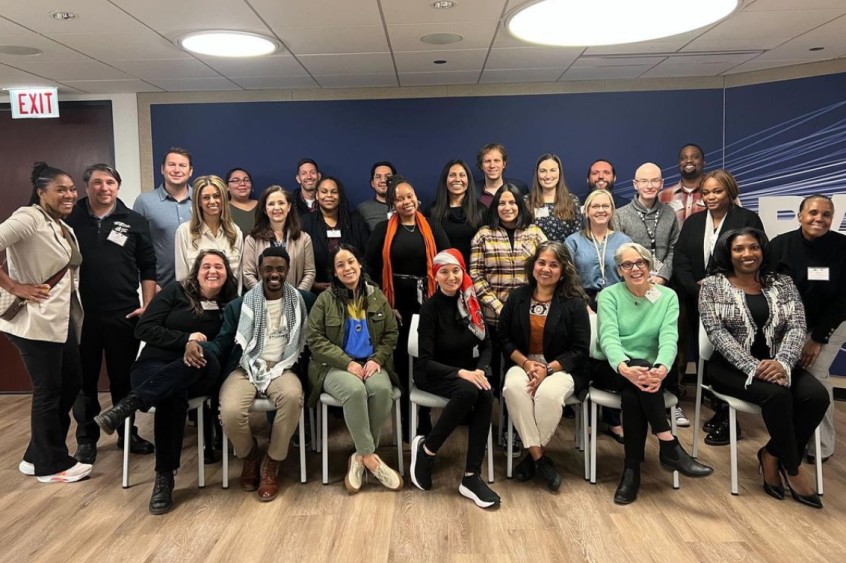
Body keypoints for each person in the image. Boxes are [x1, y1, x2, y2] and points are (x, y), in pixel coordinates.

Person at [94, 249, 239, 514]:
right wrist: (184, 340)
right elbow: (143, 328)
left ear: (227, 273)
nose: (212, 271)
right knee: (172, 394)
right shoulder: (175, 291)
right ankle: (164, 477)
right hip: (153, 365)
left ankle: (132, 402)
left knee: (201, 357)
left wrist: (196, 347)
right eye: (206, 266)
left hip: (201, 368)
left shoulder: (231, 304)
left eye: (219, 266)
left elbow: (227, 344)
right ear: (197, 271)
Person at [700, 228, 828, 509]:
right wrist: (755, 367)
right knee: (777, 396)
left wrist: (782, 363)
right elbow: (717, 335)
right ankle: (793, 469)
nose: (747, 254)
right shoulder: (712, 286)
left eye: (753, 247)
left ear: (762, 250)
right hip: (731, 368)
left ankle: (771, 454)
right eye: (739, 249)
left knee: (816, 396)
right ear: (728, 253)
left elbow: (797, 326)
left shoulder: (782, 283)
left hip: (780, 362)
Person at [594, 243, 713, 505]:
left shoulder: (667, 296)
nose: (635, 269)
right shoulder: (609, 295)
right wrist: (625, 367)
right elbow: (608, 338)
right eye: (627, 264)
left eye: (641, 263)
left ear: (649, 266)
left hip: (652, 371)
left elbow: (670, 337)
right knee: (636, 375)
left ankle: (631, 470)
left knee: (636, 391)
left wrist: (661, 367)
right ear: (619, 270)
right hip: (614, 367)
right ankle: (668, 444)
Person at [0, 162, 90, 483]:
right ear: (41, 193)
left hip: (60, 320)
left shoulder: (60, 224)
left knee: (70, 382)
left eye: (71, 189)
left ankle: (34, 455)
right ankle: (51, 464)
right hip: (34, 322)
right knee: (48, 390)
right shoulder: (27, 218)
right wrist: (14, 286)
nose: (69, 195)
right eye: (60, 190)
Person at [66, 163, 157, 464]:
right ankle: (86, 439)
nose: (104, 188)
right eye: (97, 182)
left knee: (123, 379)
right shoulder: (70, 218)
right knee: (85, 380)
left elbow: (148, 266)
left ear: (118, 186)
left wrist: (147, 305)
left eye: (110, 183)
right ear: (86, 185)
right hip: (82, 314)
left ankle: (127, 434)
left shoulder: (134, 220)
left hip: (124, 313)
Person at [201, 247, 307, 501]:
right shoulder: (239, 306)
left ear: (287, 271)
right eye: (268, 268)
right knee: (230, 410)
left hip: (283, 366)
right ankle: (249, 455)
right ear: (259, 270)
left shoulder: (304, 300)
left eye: (280, 269)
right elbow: (225, 340)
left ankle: (273, 460)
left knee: (292, 398)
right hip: (245, 366)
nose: (274, 274)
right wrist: (202, 347)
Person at [673, 169, 764, 445]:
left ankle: (726, 414)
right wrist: (695, 286)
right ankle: (698, 401)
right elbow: (680, 259)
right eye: (707, 192)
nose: (711, 197)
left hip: (732, 299)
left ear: (730, 191)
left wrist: (720, 287)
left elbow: (754, 258)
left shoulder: (746, 219)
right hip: (693, 295)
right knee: (689, 348)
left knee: (726, 353)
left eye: (717, 191)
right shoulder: (694, 221)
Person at [306, 244, 403, 493]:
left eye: (351, 262)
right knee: (355, 391)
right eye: (340, 265)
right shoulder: (324, 300)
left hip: (370, 363)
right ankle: (371, 458)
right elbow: (314, 339)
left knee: (382, 390)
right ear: (334, 272)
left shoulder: (376, 296)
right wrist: (346, 362)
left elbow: (391, 333)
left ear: (359, 264)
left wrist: (377, 359)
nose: (347, 268)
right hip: (334, 366)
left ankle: (359, 457)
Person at [410, 249, 500, 508]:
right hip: (433, 373)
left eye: (456, 270)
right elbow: (425, 361)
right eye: (444, 272)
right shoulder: (429, 309)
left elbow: (487, 347)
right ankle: (427, 451)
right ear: (435, 276)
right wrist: (463, 373)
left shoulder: (471, 303)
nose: (451, 277)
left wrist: (480, 369)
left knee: (484, 393)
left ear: (464, 272)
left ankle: (471, 476)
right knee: (469, 391)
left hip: (466, 373)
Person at [500, 242, 591, 491]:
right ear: (533, 266)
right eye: (541, 262)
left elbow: (580, 350)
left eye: (553, 264)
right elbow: (503, 338)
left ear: (563, 270)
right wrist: (527, 362)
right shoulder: (518, 296)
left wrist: (547, 369)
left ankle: (532, 457)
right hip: (523, 362)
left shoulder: (574, 302)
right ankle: (540, 458)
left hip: (561, 367)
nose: (546, 269)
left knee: (548, 395)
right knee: (513, 389)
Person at [365, 176, 450, 437]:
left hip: (429, 301)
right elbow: (367, 269)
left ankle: (423, 415)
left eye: (409, 196)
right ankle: (403, 414)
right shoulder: (383, 229)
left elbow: (447, 261)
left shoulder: (432, 226)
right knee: (401, 358)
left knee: (425, 355)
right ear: (392, 203)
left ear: (416, 198)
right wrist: (384, 302)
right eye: (399, 198)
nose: (405, 202)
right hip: (396, 304)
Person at [470, 183, 547, 454]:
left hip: (530, 317)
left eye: (512, 203)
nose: (507, 207)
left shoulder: (535, 233)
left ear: (520, 205)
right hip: (494, 317)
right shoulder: (483, 235)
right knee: (501, 376)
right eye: (502, 203)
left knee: (523, 374)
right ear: (495, 207)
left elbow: (545, 271)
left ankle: (520, 430)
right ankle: (501, 428)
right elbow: (476, 276)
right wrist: (499, 307)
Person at [768, 195, 845, 464]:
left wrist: (818, 338)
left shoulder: (842, 247)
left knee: (815, 373)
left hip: (831, 323)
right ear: (800, 215)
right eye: (813, 213)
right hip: (789, 323)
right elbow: (768, 287)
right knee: (790, 375)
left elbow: (843, 300)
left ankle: (820, 446)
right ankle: (790, 436)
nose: (819, 219)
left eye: (826, 215)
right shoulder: (780, 245)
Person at [613, 162, 685, 426]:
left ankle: (672, 395)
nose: (650, 186)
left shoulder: (669, 213)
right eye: (644, 181)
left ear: (661, 183)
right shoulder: (620, 215)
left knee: (669, 338)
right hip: (634, 283)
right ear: (635, 184)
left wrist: (662, 276)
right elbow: (620, 253)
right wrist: (641, 276)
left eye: (655, 181)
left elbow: (674, 248)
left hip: (663, 285)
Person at [133, 147, 193, 288]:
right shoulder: (144, 201)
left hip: (200, 286)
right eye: (171, 164)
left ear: (190, 171)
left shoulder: (202, 199)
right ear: (162, 169)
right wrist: (149, 284)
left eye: (182, 165)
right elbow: (135, 247)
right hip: (160, 286)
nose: (176, 170)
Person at [243, 186, 315, 299]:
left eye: (281, 203)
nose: (277, 208)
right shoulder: (252, 239)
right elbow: (248, 274)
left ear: (289, 207)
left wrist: (296, 296)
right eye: (271, 204)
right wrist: (265, 296)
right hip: (262, 301)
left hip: (295, 301)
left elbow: (309, 272)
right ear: (264, 210)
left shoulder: (304, 238)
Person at [565, 189, 632, 310]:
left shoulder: (624, 241)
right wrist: (583, 306)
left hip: (619, 301)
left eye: (605, 206)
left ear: (612, 211)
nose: (601, 210)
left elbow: (631, 276)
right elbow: (567, 278)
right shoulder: (573, 241)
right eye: (595, 206)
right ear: (586, 211)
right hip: (581, 302)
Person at [301, 176, 369, 295]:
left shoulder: (356, 221)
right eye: (324, 191)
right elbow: (299, 259)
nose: (329, 196)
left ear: (340, 196)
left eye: (334, 192)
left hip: (354, 289)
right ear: (317, 195)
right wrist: (313, 283)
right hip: (317, 292)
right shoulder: (305, 223)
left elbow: (366, 256)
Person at [174, 175, 244, 283]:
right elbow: (182, 278)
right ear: (198, 202)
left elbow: (237, 279)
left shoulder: (235, 232)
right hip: (194, 299)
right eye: (206, 197)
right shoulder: (184, 232)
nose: (212, 201)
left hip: (230, 299)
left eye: (217, 196)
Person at [425, 159, 485, 265]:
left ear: (469, 180)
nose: (457, 179)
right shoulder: (432, 211)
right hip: (442, 274)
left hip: (474, 275)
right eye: (452, 175)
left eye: (462, 175)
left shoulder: (481, 211)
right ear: (445, 180)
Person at [526, 154, 584, 242]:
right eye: (543, 171)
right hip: (535, 254)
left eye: (552, 170)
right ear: (537, 174)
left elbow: (576, 237)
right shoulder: (526, 201)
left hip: (565, 254)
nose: (548, 176)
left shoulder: (572, 201)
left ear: (559, 173)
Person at [659, 143, 707, 228]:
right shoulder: (663, 196)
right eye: (683, 158)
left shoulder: (717, 193)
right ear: (679, 163)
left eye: (695, 157)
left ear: (704, 162)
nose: (689, 161)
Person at [476, 143, 529, 208]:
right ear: (481, 165)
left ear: (504, 164)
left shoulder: (520, 188)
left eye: (496, 161)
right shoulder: (473, 191)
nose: (492, 165)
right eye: (487, 161)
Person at [357, 161, 396, 232]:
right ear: (372, 183)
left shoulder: (406, 205)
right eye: (378, 177)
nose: (383, 180)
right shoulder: (362, 209)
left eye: (388, 177)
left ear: (395, 181)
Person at [224, 167, 258, 236]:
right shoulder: (223, 209)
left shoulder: (263, 206)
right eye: (236, 180)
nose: (242, 184)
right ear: (227, 187)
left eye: (246, 180)